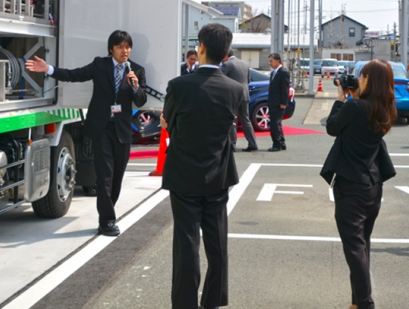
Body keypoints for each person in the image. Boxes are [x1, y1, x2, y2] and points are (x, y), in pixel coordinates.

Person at [25, 30, 147, 236]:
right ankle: (107, 220)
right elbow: (75, 75)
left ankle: (107, 214)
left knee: (117, 178)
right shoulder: (100, 65)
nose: (124, 51)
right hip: (102, 128)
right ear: (111, 49)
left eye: (127, 47)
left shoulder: (136, 70)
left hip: (123, 130)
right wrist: (49, 69)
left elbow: (141, 100)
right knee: (105, 175)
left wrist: (135, 86)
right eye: (120, 47)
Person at [160, 23, 244, 309]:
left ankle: (185, 304)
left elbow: (169, 123)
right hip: (218, 173)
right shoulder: (234, 89)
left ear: (202, 48)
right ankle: (212, 301)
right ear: (227, 52)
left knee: (186, 246)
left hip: (184, 175)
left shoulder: (179, 85)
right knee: (217, 244)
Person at [320, 59, 397, 309]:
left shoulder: (355, 108)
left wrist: (342, 97)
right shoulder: (385, 109)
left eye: (362, 77)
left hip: (351, 187)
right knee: (362, 245)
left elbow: (332, 127)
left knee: (354, 248)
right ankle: (357, 301)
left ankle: (364, 303)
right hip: (373, 185)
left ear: (369, 81)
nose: (359, 81)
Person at [221, 49, 258, 152]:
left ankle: (232, 145)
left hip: (233, 96)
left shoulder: (227, 65)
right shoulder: (244, 63)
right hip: (245, 94)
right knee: (246, 120)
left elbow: (220, 80)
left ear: (226, 54)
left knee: (233, 120)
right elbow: (248, 80)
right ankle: (253, 143)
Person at [267, 53, 290, 152]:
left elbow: (285, 89)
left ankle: (277, 144)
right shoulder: (273, 73)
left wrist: (283, 102)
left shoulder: (283, 72)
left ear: (278, 61)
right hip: (272, 102)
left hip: (278, 103)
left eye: (271, 61)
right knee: (277, 124)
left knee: (274, 124)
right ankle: (282, 142)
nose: (270, 63)